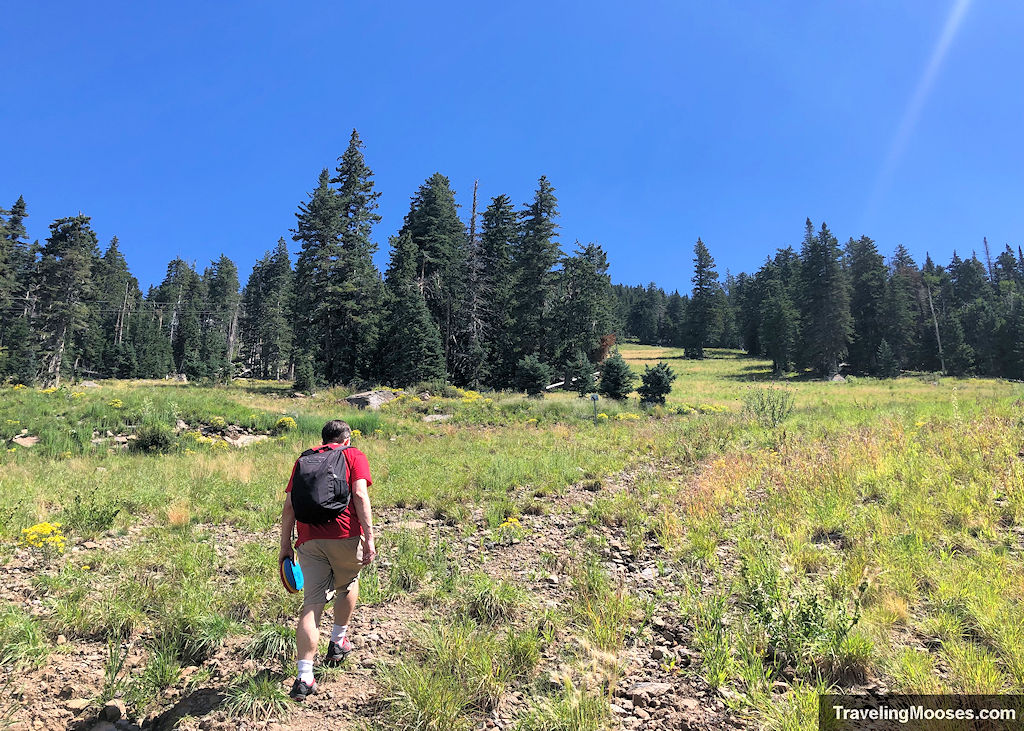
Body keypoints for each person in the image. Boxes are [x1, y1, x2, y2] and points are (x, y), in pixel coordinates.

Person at [279, 419, 377, 700]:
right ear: (346, 439)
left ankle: (304, 676)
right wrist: (369, 538)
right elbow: (359, 493)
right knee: (348, 583)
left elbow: (289, 508)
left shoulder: (304, 460)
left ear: (323, 440)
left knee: (312, 604)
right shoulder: (353, 454)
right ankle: (337, 641)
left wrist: (285, 546)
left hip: (308, 539)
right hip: (346, 535)